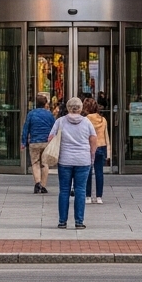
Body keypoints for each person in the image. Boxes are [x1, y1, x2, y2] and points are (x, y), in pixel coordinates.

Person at [48, 97, 98, 229]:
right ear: (80, 109)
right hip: (83, 160)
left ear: (68, 108)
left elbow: (51, 138)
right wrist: (91, 154)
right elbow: (93, 139)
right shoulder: (87, 122)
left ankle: (62, 221)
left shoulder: (60, 121)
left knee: (64, 190)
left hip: (65, 160)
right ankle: (79, 222)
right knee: (80, 190)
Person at [21, 94, 55, 194]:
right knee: (44, 164)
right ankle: (43, 186)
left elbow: (26, 129)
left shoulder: (31, 114)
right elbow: (55, 127)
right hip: (46, 142)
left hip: (34, 142)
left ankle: (37, 183)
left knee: (35, 163)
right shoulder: (49, 115)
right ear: (45, 104)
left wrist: (23, 142)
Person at [84, 99, 110, 204]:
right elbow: (106, 135)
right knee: (99, 172)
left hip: (88, 147)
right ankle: (99, 196)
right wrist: (108, 150)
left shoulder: (85, 120)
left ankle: (88, 196)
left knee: (87, 172)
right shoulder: (103, 120)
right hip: (101, 146)